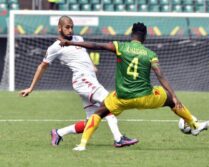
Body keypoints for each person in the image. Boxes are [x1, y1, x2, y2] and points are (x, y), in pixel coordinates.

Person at [59, 22, 209, 151]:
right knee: (170, 100)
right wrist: (174, 96)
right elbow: (160, 74)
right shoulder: (150, 53)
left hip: (122, 98)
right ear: (144, 37)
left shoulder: (121, 47)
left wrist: (71, 42)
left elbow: (96, 45)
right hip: (146, 97)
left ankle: (82, 144)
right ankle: (194, 124)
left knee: (98, 113)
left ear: (131, 34)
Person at [19, 16, 138, 148]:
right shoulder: (55, 47)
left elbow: (83, 54)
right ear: (60, 28)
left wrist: (92, 66)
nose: (70, 30)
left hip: (90, 79)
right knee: (108, 102)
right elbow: (42, 66)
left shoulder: (78, 39)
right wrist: (31, 88)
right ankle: (118, 139)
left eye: (72, 27)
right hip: (82, 79)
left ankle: (58, 133)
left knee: (90, 122)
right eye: (67, 27)